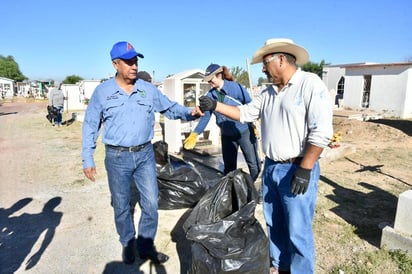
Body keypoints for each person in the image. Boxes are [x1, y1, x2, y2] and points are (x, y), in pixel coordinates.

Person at [198, 38, 333, 274]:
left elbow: (321, 132)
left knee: (298, 230)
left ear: (281, 58)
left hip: (297, 168)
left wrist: (305, 168)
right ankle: (280, 266)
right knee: (275, 223)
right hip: (272, 167)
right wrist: (214, 106)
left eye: (264, 62)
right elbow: (245, 113)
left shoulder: (309, 84)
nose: (262, 68)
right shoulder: (268, 92)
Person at [82, 41, 200, 265]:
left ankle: (145, 246)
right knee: (121, 203)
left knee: (151, 203)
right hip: (117, 157)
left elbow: (170, 108)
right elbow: (90, 126)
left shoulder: (148, 89)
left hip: (145, 154)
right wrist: (88, 158)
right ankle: (127, 242)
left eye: (135, 61)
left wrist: (190, 112)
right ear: (116, 64)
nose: (134, 66)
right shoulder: (103, 92)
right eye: (128, 62)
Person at [183, 64, 261, 182]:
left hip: (244, 132)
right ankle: (231, 192)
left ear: (219, 75)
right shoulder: (210, 95)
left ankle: (254, 189)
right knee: (229, 168)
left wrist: (253, 124)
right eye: (208, 80)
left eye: (211, 79)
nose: (210, 82)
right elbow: (206, 117)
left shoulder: (236, 88)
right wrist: (195, 133)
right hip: (227, 135)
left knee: (253, 164)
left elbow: (251, 107)